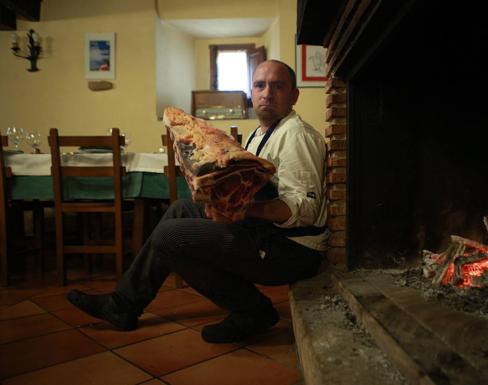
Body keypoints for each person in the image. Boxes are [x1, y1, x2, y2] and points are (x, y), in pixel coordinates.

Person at [66, 60, 328, 343]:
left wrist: (240, 211)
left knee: (170, 236)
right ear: (251, 91)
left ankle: (252, 311)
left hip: (292, 249)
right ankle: (122, 305)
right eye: (260, 85)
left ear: (294, 95)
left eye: (278, 86)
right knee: (180, 209)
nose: (267, 93)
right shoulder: (262, 132)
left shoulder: (296, 135)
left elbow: (306, 210)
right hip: (265, 232)